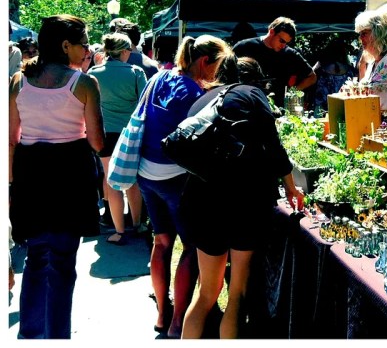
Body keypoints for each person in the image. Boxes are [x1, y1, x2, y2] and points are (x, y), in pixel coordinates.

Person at [179, 53, 305, 339]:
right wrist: (291, 187)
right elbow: (274, 147)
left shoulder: (203, 99)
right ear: (256, 78)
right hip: (244, 203)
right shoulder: (252, 94)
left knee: (206, 295)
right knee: (236, 294)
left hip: (202, 199)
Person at [9, 14, 105, 339]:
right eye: (84, 44)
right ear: (66, 46)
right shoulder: (84, 83)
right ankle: (57, 338)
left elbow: (11, 137)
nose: (87, 50)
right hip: (70, 174)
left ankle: (31, 334)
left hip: (30, 174)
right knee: (63, 263)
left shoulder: (18, 81)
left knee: (36, 258)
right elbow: (96, 142)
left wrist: (11, 185)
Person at [136, 34, 231, 339]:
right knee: (191, 246)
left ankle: (163, 314)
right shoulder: (195, 93)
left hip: (146, 173)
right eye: (218, 65)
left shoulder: (160, 77)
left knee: (162, 242)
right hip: (175, 176)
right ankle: (179, 322)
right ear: (205, 61)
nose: (218, 72)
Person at [88, 33, 147, 245]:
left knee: (109, 179)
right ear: (123, 51)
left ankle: (119, 230)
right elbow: (144, 105)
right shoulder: (135, 72)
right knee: (133, 179)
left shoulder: (94, 72)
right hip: (130, 133)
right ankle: (137, 223)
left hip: (104, 133)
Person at [233, 17, 316, 108]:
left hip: (277, 108)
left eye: (286, 43)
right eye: (281, 41)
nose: (283, 45)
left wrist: (292, 92)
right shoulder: (244, 47)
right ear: (271, 32)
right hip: (247, 104)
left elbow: (312, 77)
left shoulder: (289, 53)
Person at [311, 39, 355, 114]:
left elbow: (310, 75)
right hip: (345, 108)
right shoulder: (350, 70)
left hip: (322, 109)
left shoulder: (321, 68)